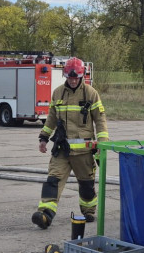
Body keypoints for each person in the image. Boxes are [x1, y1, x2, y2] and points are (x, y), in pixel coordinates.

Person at [32, 57, 109, 229]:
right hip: (62, 149)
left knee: (87, 185)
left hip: (84, 151)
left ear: (82, 76)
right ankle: (45, 214)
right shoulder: (58, 93)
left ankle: (88, 211)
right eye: (70, 77)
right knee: (53, 180)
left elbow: (100, 120)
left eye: (76, 77)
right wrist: (44, 137)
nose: (73, 80)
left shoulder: (91, 93)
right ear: (66, 75)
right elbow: (51, 117)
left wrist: (102, 143)